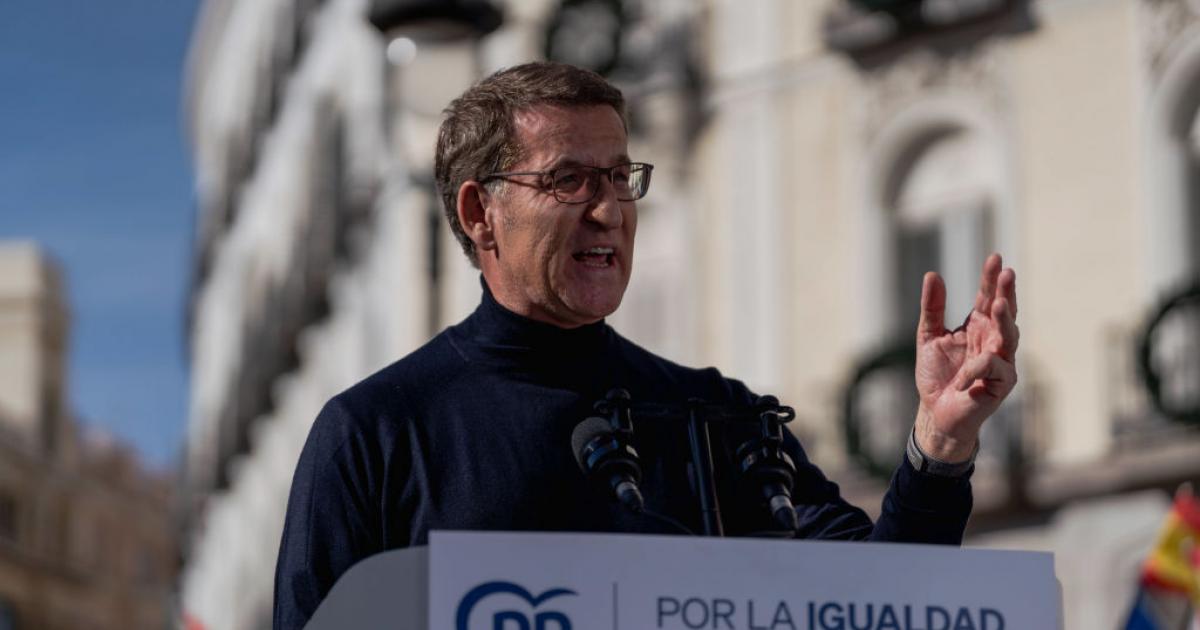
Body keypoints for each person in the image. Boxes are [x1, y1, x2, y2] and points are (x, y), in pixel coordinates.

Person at [272, 61, 1019, 628]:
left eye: (619, 177)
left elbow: (884, 603)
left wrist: (940, 443)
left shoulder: (718, 418)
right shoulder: (373, 433)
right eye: (569, 180)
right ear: (479, 212)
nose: (609, 211)